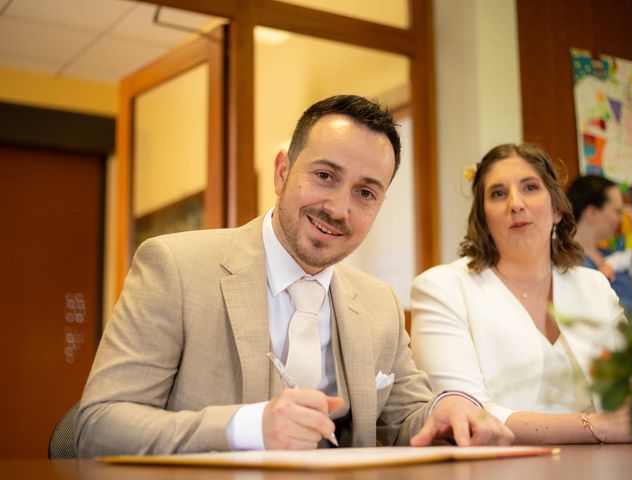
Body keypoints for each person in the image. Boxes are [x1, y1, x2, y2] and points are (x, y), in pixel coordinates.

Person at [76, 95, 513, 457]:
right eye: (324, 176)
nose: (339, 209)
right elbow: (97, 425)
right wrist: (247, 428)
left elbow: (406, 418)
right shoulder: (175, 266)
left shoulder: (378, 301)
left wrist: (448, 408)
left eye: (365, 193)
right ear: (283, 171)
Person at [411, 143, 632, 444]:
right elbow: (469, 413)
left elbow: (629, 381)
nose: (515, 204)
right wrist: (597, 426)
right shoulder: (442, 288)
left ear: (557, 209)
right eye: (498, 193)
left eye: (530, 187)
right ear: (483, 217)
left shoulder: (593, 285)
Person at [567, 175, 632, 315]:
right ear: (592, 213)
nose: (621, 219)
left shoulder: (615, 255)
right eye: (617, 211)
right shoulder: (568, 263)